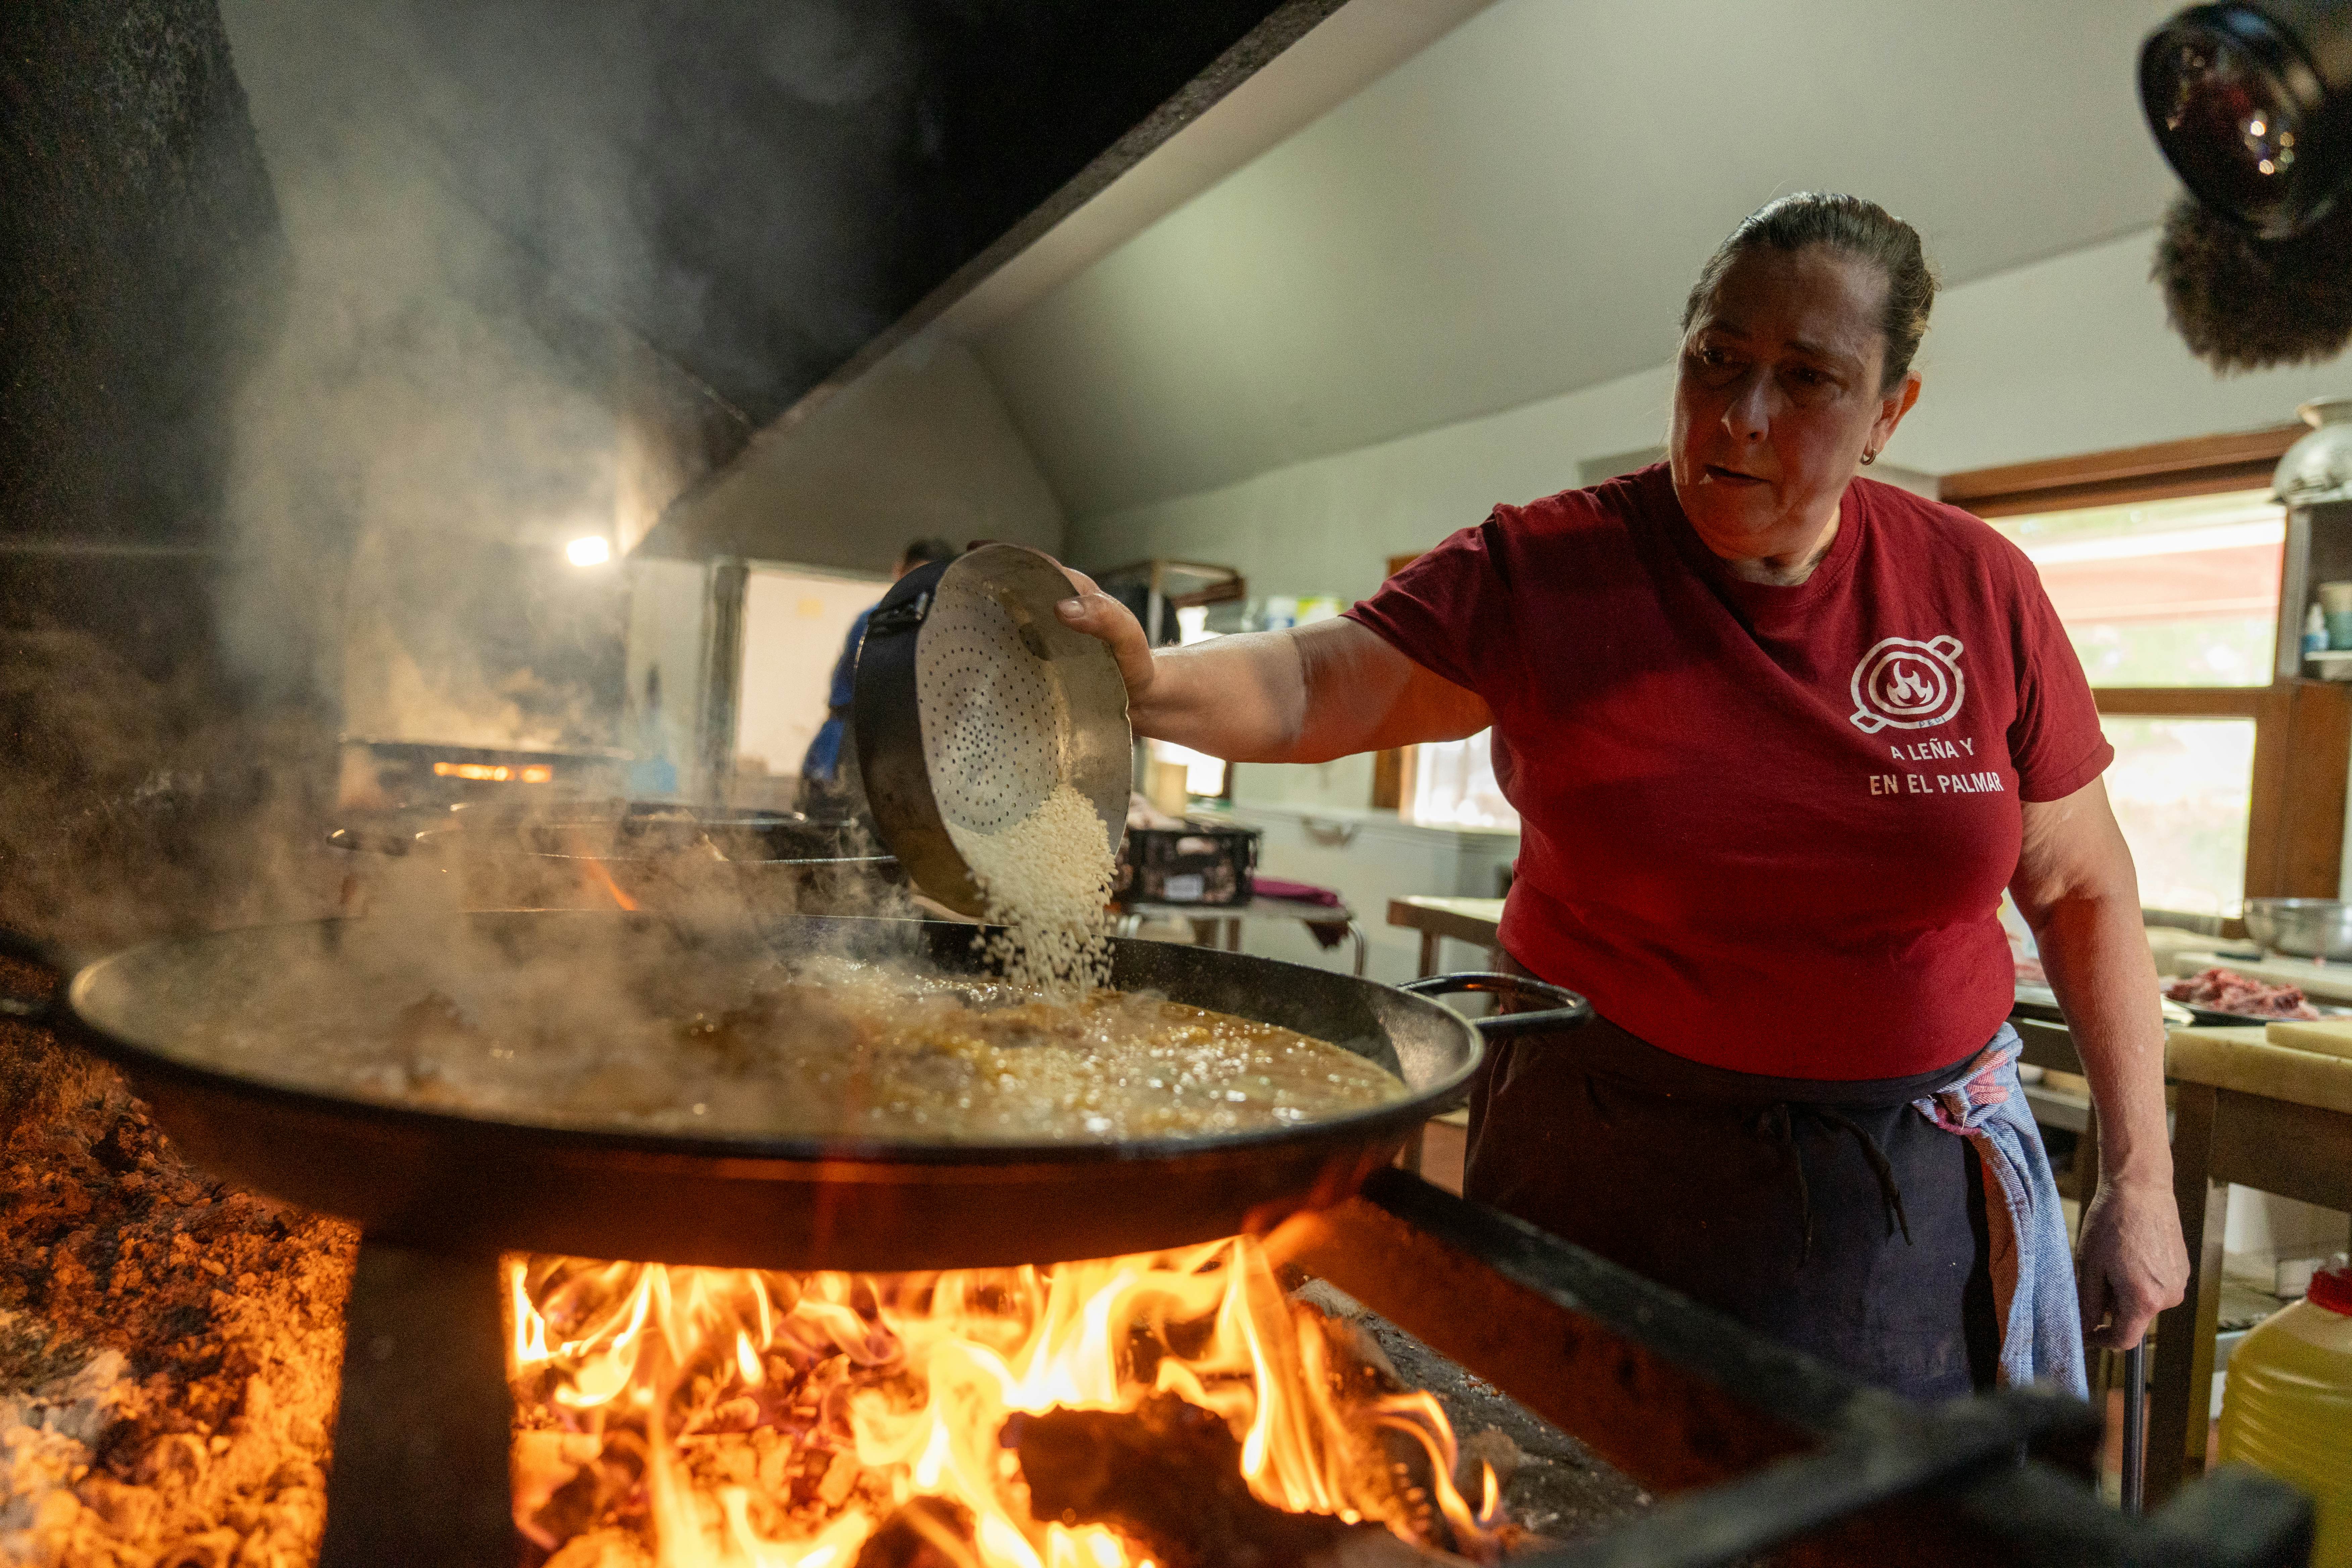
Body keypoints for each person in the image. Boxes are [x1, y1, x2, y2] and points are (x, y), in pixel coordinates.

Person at [1054, 193, 2187, 1399]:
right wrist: (1146, 682)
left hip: (1891, 1183)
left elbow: (2080, 886)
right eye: (1716, 358)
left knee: (1849, 1525)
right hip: (1593, 1143)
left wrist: (2143, 1178)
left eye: (1807, 379)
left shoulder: (1976, 587)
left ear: (1887, 412)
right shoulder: (1549, 566)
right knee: (1564, 1483)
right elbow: (1311, 685)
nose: (1740, 416)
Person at [798, 537, 958, 815]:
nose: (921, 590)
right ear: (899, 572)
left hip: (869, 757)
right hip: (841, 755)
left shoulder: (932, 629)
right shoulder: (881, 620)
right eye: (915, 578)